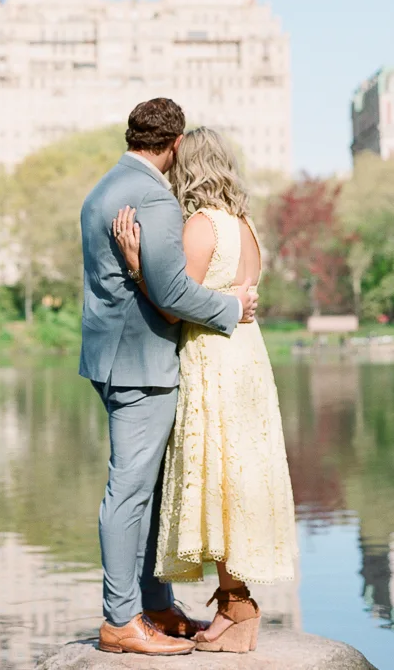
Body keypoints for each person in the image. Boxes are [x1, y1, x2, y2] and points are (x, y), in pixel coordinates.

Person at [80, 99, 258, 657]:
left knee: (153, 491)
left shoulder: (104, 187)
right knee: (131, 492)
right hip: (142, 364)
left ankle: (155, 605)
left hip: (112, 356)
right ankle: (120, 619)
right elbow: (175, 293)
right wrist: (233, 306)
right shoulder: (154, 197)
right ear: (176, 143)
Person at [113, 127, 298, 654]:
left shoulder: (201, 225)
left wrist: (135, 263)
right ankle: (234, 606)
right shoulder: (246, 226)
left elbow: (175, 305)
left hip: (212, 359)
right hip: (248, 357)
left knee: (217, 476)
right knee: (237, 476)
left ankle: (238, 607)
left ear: (187, 167)